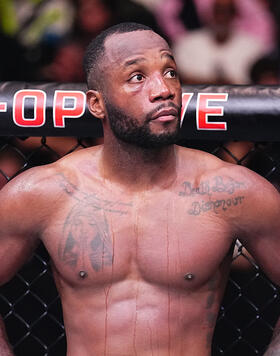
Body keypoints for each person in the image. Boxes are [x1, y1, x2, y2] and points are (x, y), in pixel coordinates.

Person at [0, 22, 280, 356]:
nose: (164, 89)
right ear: (97, 103)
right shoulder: (43, 193)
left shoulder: (231, 192)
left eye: (171, 72)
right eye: (138, 77)